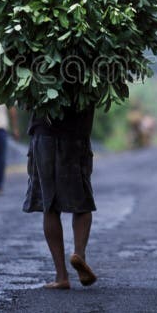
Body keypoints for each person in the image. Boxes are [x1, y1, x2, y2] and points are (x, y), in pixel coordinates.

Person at [23, 104, 98, 290]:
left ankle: (62, 276)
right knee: (81, 199)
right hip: (77, 131)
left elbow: (25, 99)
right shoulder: (84, 73)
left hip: (44, 132)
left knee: (50, 204)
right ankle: (79, 254)